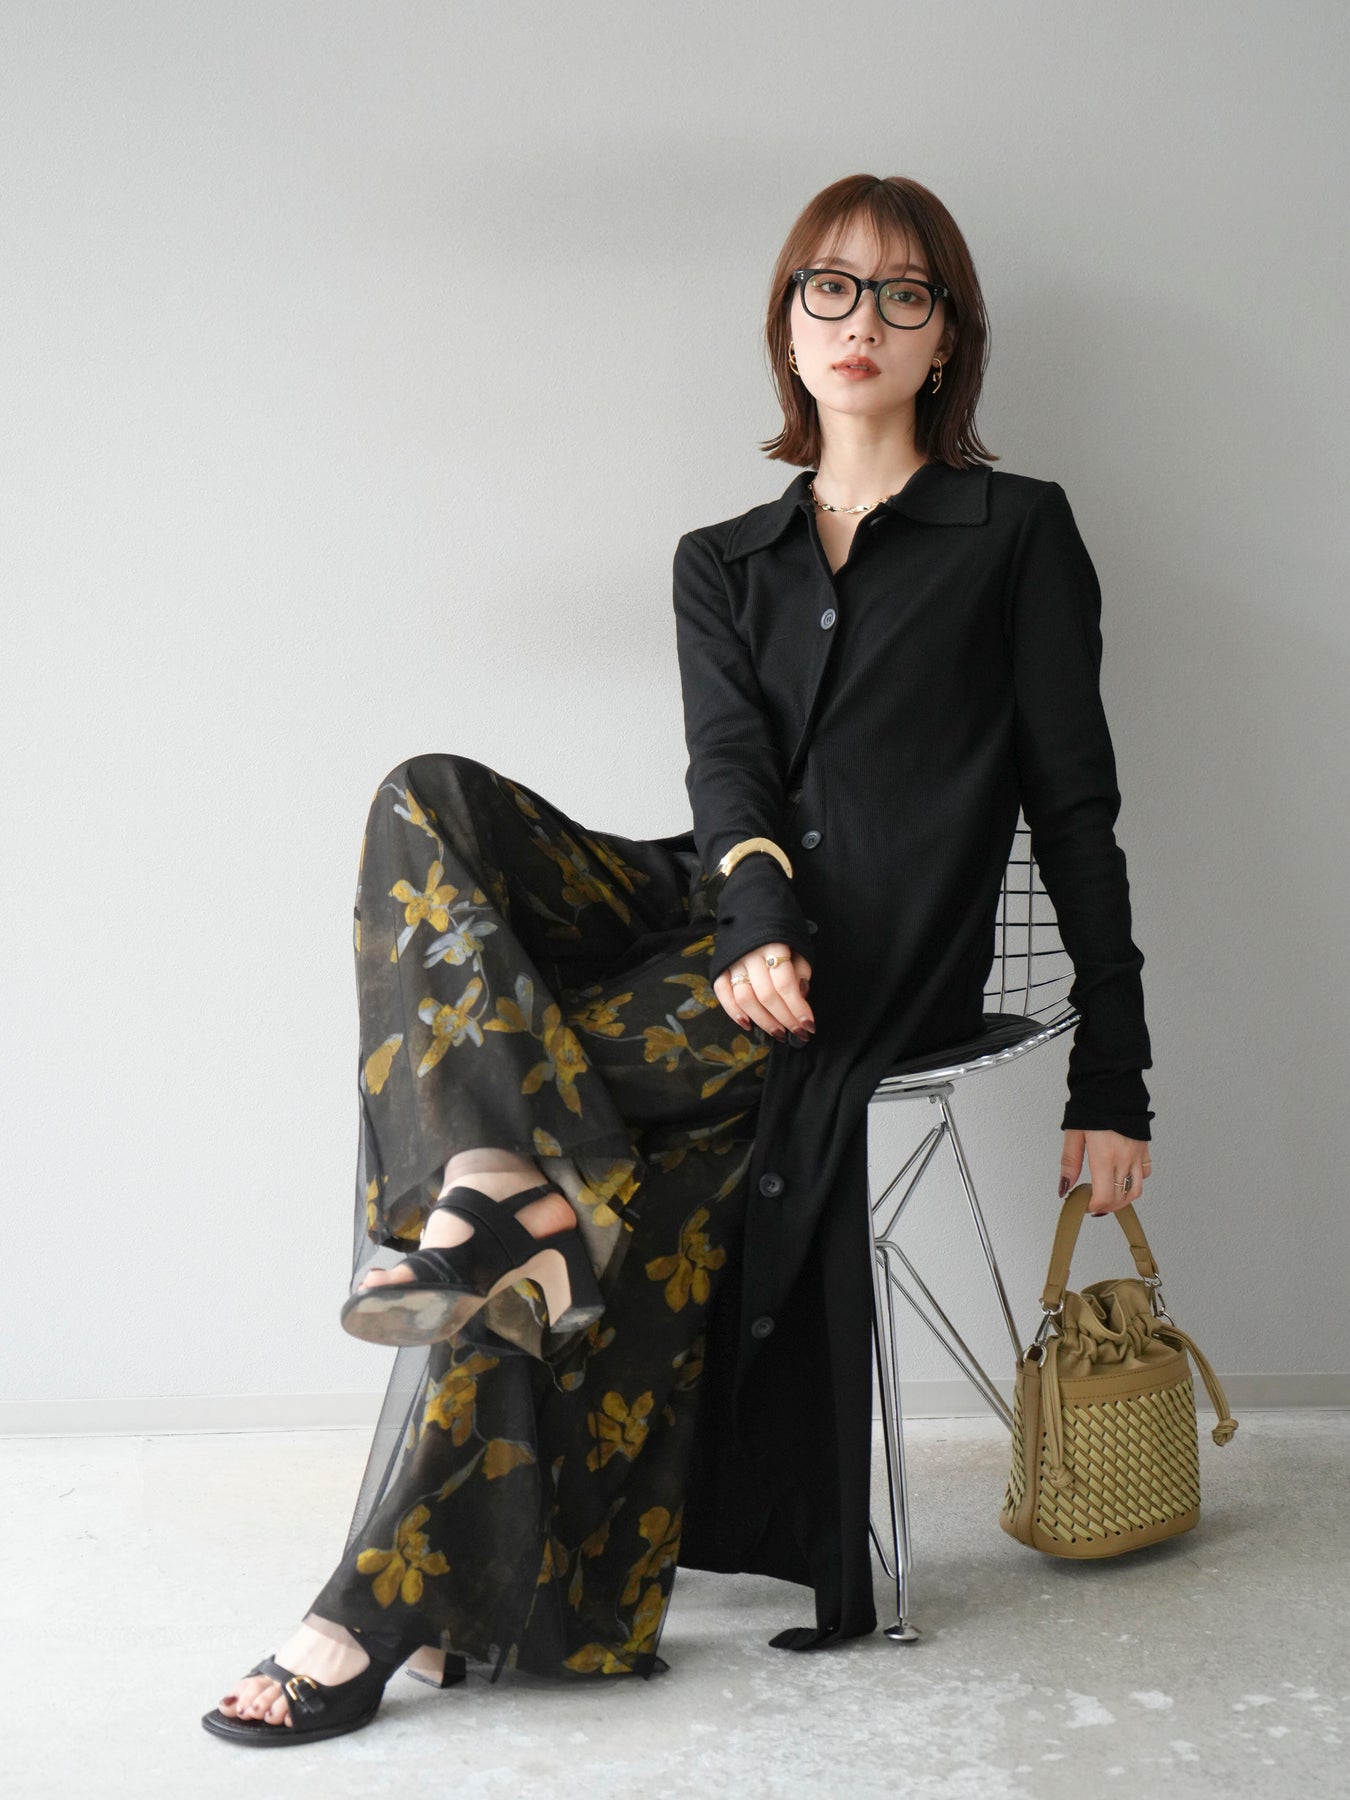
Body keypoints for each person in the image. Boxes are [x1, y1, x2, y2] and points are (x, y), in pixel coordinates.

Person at [203, 171, 1155, 1745]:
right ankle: (505, 1195)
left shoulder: (1014, 533)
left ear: (946, 337)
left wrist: (1115, 1076)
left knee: (537, 1164)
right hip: (715, 913)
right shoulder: (723, 556)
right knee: (426, 797)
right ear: (785, 323)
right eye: (827, 287)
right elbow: (730, 771)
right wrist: (753, 910)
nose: (859, 320)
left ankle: (379, 1594)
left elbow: (1075, 804)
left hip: (878, 960)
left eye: (900, 293)